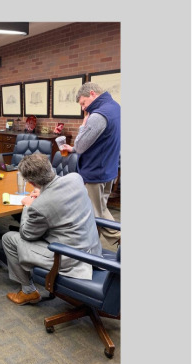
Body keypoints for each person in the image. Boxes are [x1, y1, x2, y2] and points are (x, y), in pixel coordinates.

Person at [1, 154, 102, 305]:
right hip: (92, 250)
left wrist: (28, 207)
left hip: (71, 257)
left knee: (9, 238)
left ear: (31, 182)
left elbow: (27, 235)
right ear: (50, 167)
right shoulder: (76, 178)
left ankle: (28, 292)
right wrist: (43, 193)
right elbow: (60, 194)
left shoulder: (38, 207)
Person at [59, 82, 121, 246]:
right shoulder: (115, 107)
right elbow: (100, 141)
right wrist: (73, 149)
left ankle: (119, 239)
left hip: (95, 172)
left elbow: (81, 145)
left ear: (92, 94)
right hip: (108, 169)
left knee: (95, 212)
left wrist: (83, 124)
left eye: (83, 103)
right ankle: (95, 245)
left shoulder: (97, 116)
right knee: (100, 208)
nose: (83, 108)